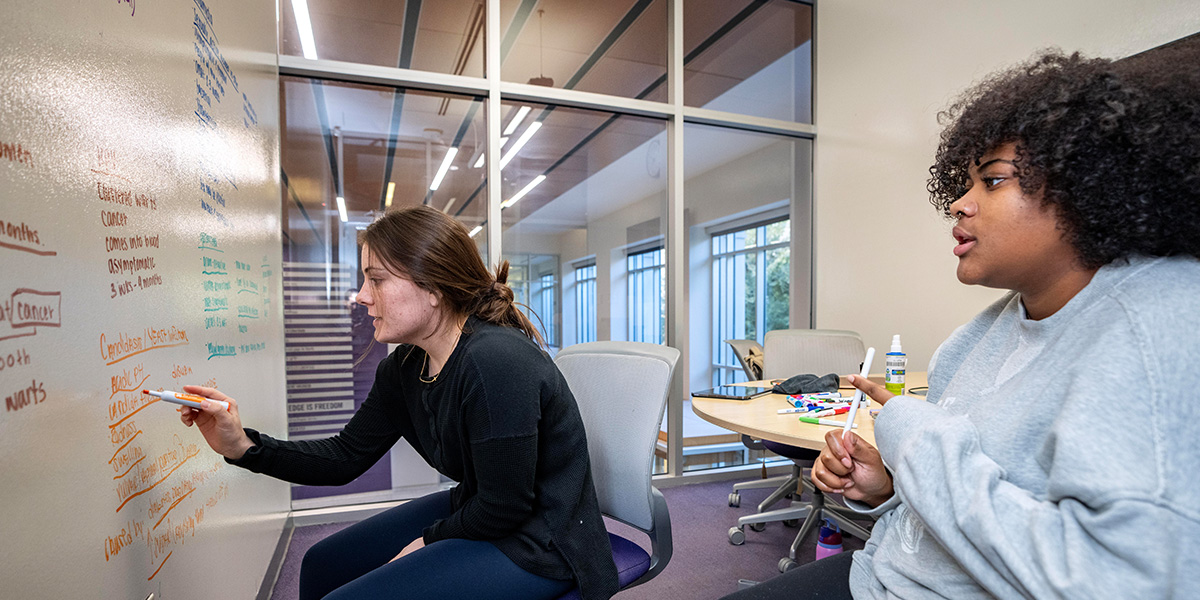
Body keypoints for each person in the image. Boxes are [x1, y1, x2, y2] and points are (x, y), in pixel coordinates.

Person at [723, 47, 1200, 599]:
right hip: (882, 576)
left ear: (1089, 185)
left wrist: (910, 428)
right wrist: (886, 488)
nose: (958, 204)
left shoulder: (1161, 322)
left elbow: (1112, 582)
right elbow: (962, 495)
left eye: (992, 181)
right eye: (965, 183)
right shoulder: (979, 335)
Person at [179, 205, 619, 600]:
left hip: (543, 542)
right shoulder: (406, 366)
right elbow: (344, 457)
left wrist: (427, 541)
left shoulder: (496, 363)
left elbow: (506, 508)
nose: (361, 296)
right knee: (320, 565)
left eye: (376, 279)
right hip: (482, 508)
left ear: (433, 286)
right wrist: (242, 446)